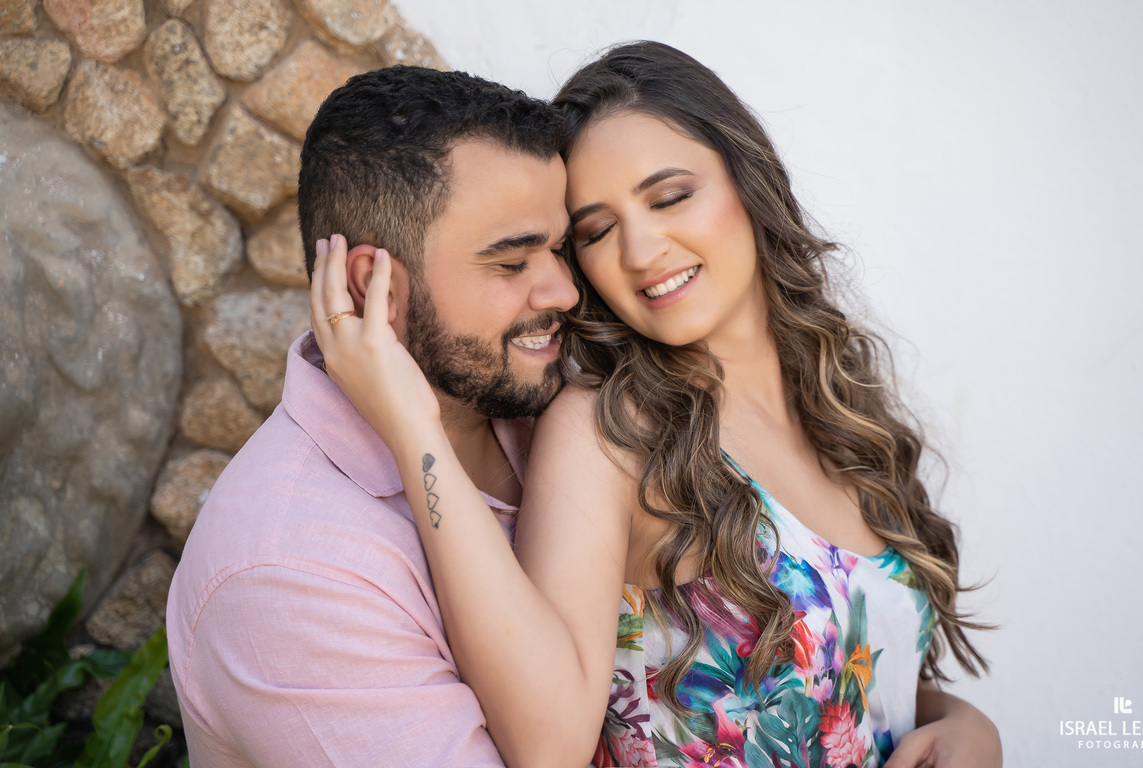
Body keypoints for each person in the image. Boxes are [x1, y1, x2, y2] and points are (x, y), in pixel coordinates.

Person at [311, 42, 1001, 768]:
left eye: (670, 196)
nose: (640, 250)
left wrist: (963, 721)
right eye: (597, 231)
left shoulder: (838, 404)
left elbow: (848, 667)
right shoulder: (612, 432)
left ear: (748, 179)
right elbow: (547, 748)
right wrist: (411, 426)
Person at [165, 66, 579, 767]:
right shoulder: (288, 573)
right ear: (371, 285)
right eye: (512, 264)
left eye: (561, 248)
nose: (564, 291)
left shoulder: (535, 401)